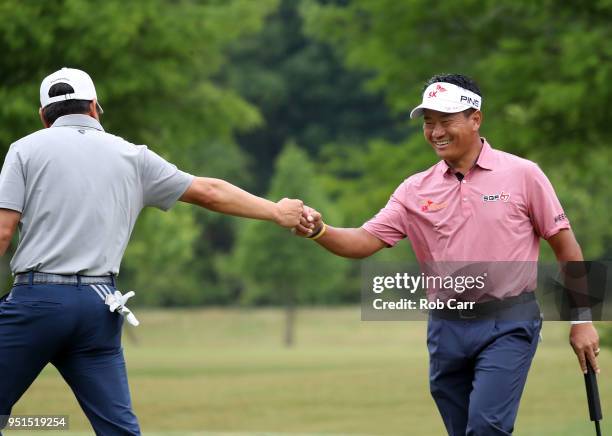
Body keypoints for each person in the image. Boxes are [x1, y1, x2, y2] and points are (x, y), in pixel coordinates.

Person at [0, 67, 312, 435]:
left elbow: (3, 231)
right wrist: (276, 210)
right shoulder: (132, 155)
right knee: (119, 430)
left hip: (39, 302)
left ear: (43, 116)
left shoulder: (25, 150)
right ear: (95, 108)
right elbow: (209, 191)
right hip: (99, 308)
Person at [295, 74, 600, 435]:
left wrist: (582, 319)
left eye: (446, 120)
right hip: (446, 327)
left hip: (509, 322)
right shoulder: (414, 189)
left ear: (476, 119)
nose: (435, 131)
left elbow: (566, 246)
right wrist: (319, 230)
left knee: (485, 428)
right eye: (428, 122)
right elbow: (363, 241)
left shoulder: (523, 174)